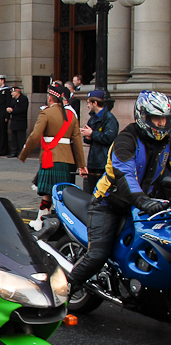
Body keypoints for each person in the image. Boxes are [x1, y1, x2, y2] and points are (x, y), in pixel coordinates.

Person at [70, 91, 171, 291]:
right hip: (109, 204)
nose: (160, 124)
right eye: (156, 118)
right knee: (98, 254)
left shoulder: (166, 142)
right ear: (143, 116)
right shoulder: (126, 140)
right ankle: (63, 291)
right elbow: (125, 176)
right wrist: (143, 201)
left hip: (141, 205)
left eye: (164, 119)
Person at [18, 84, 87, 230]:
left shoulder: (46, 113)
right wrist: (81, 165)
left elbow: (35, 136)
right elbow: (77, 142)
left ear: (50, 98)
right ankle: (62, 222)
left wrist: (24, 154)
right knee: (62, 194)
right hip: (67, 160)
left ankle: (41, 220)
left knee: (48, 193)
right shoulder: (71, 115)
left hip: (50, 158)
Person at [81, 90, 120, 193]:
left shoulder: (109, 119)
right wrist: (87, 137)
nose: (88, 105)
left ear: (95, 103)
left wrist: (92, 134)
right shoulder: (92, 118)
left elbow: (109, 137)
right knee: (91, 190)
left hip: (103, 161)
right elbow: (88, 137)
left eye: (89, 103)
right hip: (93, 161)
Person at [7, 86, 29, 158]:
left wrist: (13, 110)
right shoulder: (12, 100)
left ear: (17, 92)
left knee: (21, 138)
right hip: (14, 121)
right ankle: (14, 151)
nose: (12, 94)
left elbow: (23, 109)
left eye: (13, 92)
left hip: (21, 121)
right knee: (14, 138)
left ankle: (21, 152)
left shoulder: (23, 99)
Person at [0, 74, 11, 156]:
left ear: (2, 81)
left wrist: (7, 116)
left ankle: (4, 150)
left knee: (3, 132)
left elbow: (8, 103)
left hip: (3, 114)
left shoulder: (6, 91)